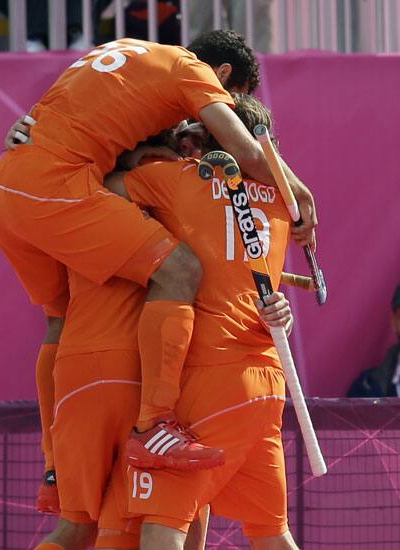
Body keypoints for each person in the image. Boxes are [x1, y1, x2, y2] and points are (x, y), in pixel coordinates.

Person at [0, 30, 304, 513]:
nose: (226, 121)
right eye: (232, 103)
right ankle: (152, 425)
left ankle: (54, 465)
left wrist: (23, 137)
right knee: (178, 269)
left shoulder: (127, 67)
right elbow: (245, 157)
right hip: (145, 382)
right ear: (222, 78)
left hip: (11, 189)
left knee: (79, 530)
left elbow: (62, 116)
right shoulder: (170, 156)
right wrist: (299, 193)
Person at [105, 94, 298, 549]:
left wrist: (148, 153)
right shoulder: (280, 202)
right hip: (267, 380)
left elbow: (104, 185)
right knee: (273, 535)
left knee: (162, 529)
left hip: (211, 381)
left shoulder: (178, 180)